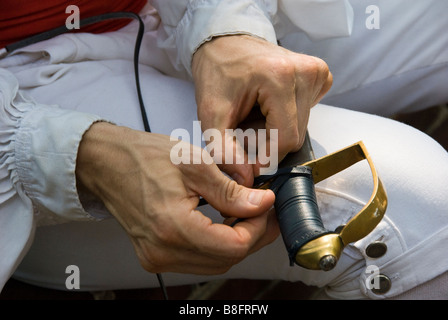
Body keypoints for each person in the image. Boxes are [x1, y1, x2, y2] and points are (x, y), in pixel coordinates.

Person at [0, 0, 447, 300]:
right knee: (421, 209)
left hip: (160, 13)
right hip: (27, 98)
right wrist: (75, 156)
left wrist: (227, 27)